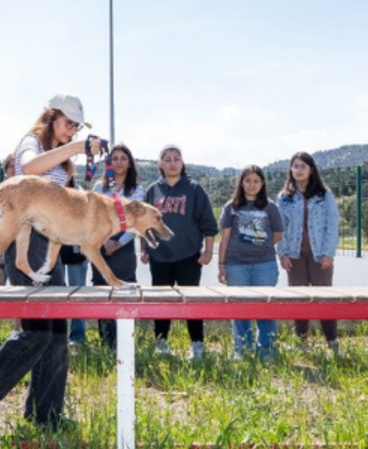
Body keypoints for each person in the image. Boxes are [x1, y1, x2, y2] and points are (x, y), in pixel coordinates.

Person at [0, 93, 102, 434]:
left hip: (50, 242)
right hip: (25, 242)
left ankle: (44, 415)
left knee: (55, 333)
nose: (72, 131)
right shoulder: (30, 142)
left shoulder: (61, 158)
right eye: (68, 124)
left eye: (77, 127)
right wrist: (76, 148)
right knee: (36, 331)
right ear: (51, 118)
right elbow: (31, 167)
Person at [141, 145, 218, 361]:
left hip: (189, 256)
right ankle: (161, 342)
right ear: (160, 164)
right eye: (167, 159)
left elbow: (208, 224)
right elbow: (144, 224)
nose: (172, 163)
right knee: (161, 300)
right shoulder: (152, 190)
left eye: (177, 159)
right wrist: (144, 249)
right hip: (160, 257)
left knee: (191, 300)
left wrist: (209, 250)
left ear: (182, 163)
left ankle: (197, 344)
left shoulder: (194, 189)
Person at [276, 151, 342, 353]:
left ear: (311, 169)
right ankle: (300, 341)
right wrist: (283, 253)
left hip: (319, 255)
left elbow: (333, 224)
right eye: (295, 166)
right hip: (294, 255)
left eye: (302, 166)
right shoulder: (284, 197)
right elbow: (280, 227)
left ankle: (332, 341)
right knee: (299, 297)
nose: (298, 170)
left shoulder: (324, 194)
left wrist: (328, 253)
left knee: (324, 297)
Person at [217, 165, 284, 360]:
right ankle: (242, 351)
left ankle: (266, 350)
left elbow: (278, 233)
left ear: (262, 183)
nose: (252, 185)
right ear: (241, 183)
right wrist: (221, 264)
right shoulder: (231, 207)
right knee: (240, 309)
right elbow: (225, 237)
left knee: (266, 307)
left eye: (256, 181)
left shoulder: (270, 207)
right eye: (248, 181)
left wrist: (260, 245)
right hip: (236, 265)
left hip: (265, 265)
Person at [90, 143, 145, 350]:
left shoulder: (137, 190)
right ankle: (106, 345)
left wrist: (118, 243)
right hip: (100, 248)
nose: (119, 162)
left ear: (129, 163)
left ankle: (126, 344)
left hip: (124, 249)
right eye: (115, 158)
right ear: (109, 163)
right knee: (102, 293)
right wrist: (104, 241)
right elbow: (92, 218)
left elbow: (137, 222)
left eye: (123, 158)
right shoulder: (98, 188)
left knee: (125, 293)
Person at [62, 176, 91, 346]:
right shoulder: (47, 194)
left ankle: (77, 335)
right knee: (55, 293)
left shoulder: (79, 193)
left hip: (76, 249)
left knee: (78, 292)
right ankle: (58, 334)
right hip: (54, 249)